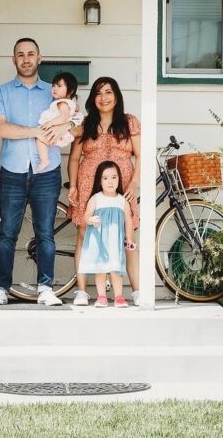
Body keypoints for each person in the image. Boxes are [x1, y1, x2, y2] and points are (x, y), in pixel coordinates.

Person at [0, 38, 80, 306]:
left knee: (45, 233)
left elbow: (79, 124)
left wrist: (67, 128)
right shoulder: (1, 93)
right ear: (13, 59)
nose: (25, 59)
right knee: (7, 232)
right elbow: (1, 129)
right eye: (20, 55)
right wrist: (35, 131)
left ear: (40, 58)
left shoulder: (55, 92)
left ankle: (46, 288)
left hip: (46, 172)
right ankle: (1, 288)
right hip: (12, 171)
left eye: (31, 54)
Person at [67, 77, 142, 307]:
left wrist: (133, 184)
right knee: (84, 235)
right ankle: (82, 291)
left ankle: (137, 290)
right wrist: (73, 185)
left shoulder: (129, 123)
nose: (104, 98)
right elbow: (73, 158)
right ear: (93, 99)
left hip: (122, 187)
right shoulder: (87, 124)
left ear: (116, 96)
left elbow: (140, 155)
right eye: (99, 93)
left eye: (108, 92)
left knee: (127, 238)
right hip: (89, 185)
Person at [78, 161, 135, 308]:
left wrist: (129, 238)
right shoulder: (96, 198)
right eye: (105, 178)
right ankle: (102, 296)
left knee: (116, 269)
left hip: (115, 242)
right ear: (99, 180)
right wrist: (90, 220)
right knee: (101, 269)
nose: (110, 181)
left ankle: (118, 296)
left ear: (119, 179)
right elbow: (85, 216)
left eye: (114, 177)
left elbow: (128, 220)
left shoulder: (122, 201)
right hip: (99, 242)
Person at [34, 72, 80, 173]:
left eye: (59, 86)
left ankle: (44, 160)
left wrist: (50, 123)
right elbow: (75, 111)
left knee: (39, 139)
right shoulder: (71, 103)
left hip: (56, 129)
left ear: (71, 90)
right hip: (61, 132)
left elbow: (63, 117)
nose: (55, 88)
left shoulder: (62, 103)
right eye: (53, 85)